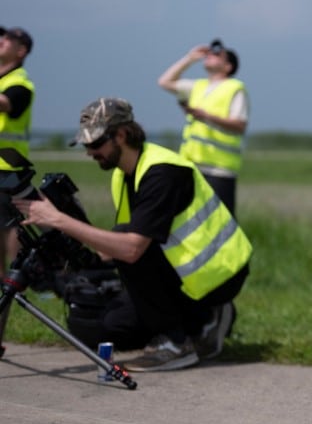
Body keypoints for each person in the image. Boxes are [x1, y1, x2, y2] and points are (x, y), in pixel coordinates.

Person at [15, 97, 252, 372]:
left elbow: (131, 249)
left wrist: (59, 219)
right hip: (183, 274)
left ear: (122, 134)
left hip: (217, 275)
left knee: (128, 251)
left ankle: (177, 344)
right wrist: (77, 258)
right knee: (110, 326)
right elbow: (123, 238)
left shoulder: (163, 172)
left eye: (95, 143)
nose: (90, 153)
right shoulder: (124, 174)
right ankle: (200, 321)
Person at [157, 39, 248, 214]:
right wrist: (190, 58)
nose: (210, 55)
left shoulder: (235, 88)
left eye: (217, 54)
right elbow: (164, 81)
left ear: (228, 66)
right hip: (192, 165)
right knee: (189, 221)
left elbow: (240, 125)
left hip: (219, 170)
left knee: (223, 223)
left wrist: (206, 116)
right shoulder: (197, 86)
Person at [0, 26, 35, 268]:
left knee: (8, 228)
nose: (2, 40)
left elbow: (5, 103)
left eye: (9, 39)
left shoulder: (21, 84)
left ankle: (14, 284)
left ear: (21, 51)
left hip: (6, 166)